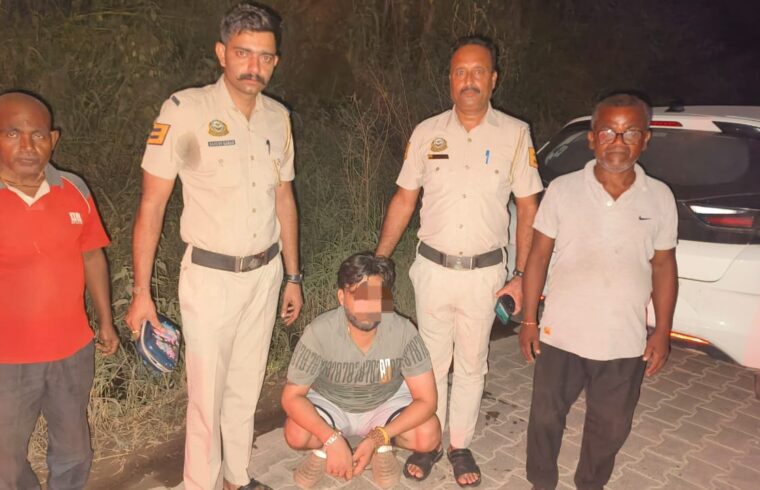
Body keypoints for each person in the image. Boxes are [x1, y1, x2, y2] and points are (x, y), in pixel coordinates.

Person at [125, 3, 303, 489]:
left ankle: (237, 478)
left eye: (265, 57)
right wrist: (141, 292)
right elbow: (152, 205)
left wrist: (292, 275)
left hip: (264, 274)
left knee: (246, 387)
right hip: (210, 277)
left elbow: (284, 198)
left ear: (275, 61)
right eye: (243, 53)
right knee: (206, 398)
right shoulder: (185, 111)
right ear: (222, 53)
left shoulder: (278, 118)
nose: (254, 66)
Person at [375, 35, 543, 487]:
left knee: (471, 363)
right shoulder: (426, 133)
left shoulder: (515, 134)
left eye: (478, 72)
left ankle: (459, 444)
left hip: (485, 275)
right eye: (460, 72)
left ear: (493, 79)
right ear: (450, 80)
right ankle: (428, 441)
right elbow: (404, 198)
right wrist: (380, 259)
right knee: (430, 363)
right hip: (432, 270)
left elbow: (528, 206)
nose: (469, 80)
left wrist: (521, 275)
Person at [520, 92, 678, 490]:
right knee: (545, 419)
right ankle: (541, 482)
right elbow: (538, 256)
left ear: (645, 139)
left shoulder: (660, 197)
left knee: (611, 427)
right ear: (592, 138)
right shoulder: (562, 190)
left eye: (630, 132)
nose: (618, 142)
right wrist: (529, 320)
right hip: (561, 333)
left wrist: (662, 330)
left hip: (623, 339)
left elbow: (663, 265)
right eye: (608, 131)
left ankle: (590, 484)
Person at [0, 91, 118, 490]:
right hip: (7, 359)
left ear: (53, 139)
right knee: (4, 459)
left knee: (74, 450)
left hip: (71, 350)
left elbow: (92, 255)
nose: (27, 145)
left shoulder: (74, 189)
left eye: (37, 134)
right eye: (12, 133)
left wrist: (105, 321)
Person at [282, 252, 440, 489]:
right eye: (359, 296)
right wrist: (331, 438)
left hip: (385, 402)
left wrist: (378, 437)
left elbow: (427, 401)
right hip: (332, 403)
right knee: (295, 433)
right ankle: (329, 447)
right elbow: (291, 397)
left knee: (428, 435)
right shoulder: (320, 332)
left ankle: (379, 446)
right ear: (342, 297)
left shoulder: (403, 331)